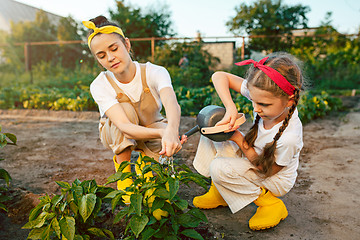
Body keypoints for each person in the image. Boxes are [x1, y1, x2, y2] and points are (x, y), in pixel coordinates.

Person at [186, 53, 304, 230]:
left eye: (263, 105)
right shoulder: (265, 96)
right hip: (253, 157)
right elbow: (219, 76)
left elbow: (267, 170)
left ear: (290, 100)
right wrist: (230, 107)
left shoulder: (289, 137)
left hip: (274, 177)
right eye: (254, 100)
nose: (256, 108)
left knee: (220, 167)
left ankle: (270, 203)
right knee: (211, 126)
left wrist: (238, 139)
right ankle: (219, 192)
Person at [82, 16, 182, 197]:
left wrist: (172, 130)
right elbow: (125, 127)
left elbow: (171, 102)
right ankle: (125, 174)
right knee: (126, 110)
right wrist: (163, 133)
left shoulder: (155, 72)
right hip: (118, 132)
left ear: (126, 45)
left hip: (150, 126)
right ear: (98, 60)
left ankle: (148, 172)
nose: (110, 58)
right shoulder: (100, 84)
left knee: (157, 192)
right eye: (102, 56)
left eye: (114, 49)